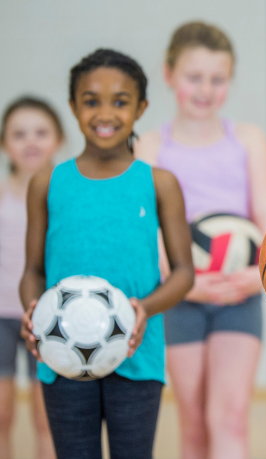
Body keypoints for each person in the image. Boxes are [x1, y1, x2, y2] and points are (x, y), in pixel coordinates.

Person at [19, 48, 195, 459]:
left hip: (138, 355)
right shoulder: (47, 182)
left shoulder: (160, 183)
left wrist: (143, 310)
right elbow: (32, 269)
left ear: (141, 108)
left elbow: (185, 273)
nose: (105, 114)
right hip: (61, 355)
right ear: (72, 107)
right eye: (91, 101)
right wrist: (32, 308)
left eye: (120, 102)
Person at [134, 21, 266, 459]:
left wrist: (261, 276)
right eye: (193, 77)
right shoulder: (149, 147)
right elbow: (149, 229)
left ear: (229, 80)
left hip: (240, 293)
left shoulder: (248, 140)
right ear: (169, 75)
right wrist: (183, 281)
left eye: (217, 79)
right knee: (194, 424)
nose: (205, 89)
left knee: (230, 416)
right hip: (180, 296)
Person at [0, 97, 60, 459]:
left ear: (59, 139)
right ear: (5, 143)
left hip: (51, 316)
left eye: (41, 132)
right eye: (19, 134)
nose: (31, 141)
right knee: (2, 414)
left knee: (47, 418)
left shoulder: (66, 195)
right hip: (2, 317)